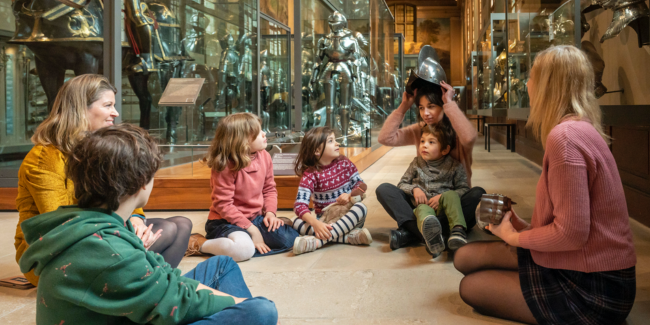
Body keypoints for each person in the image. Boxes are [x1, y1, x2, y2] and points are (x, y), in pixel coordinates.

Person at [19, 124, 278, 325]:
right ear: (143, 182)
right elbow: (176, 301)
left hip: (127, 313)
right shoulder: (110, 253)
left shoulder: (92, 223)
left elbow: (163, 278)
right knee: (261, 310)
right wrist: (240, 305)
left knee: (222, 265)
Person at [454, 46, 637, 325]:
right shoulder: (579, 128)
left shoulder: (564, 139)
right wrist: (525, 227)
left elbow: (572, 234)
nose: (526, 84)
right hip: (581, 264)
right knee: (464, 257)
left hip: (594, 286)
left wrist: (514, 238)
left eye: (532, 77)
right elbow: (573, 220)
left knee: (472, 287)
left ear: (548, 86)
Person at [14, 74, 191, 286]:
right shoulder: (43, 157)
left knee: (181, 225)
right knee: (169, 230)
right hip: (57, 252)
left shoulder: (99, 146)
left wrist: (136, 219)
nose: (115, 113)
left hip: (100, 231)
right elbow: (60, 223)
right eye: (108, 105)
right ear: (80, 108)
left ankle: (144, 287)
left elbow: (124, 188)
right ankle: (135, 288)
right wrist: (123, 236)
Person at [376, 81, 485, 251]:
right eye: (421, 107)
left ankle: (412, 233)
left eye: (431, 106)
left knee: (478, 193)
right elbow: (385, 138)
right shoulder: (420, 130)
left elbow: (470, 137)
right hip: (423, 206)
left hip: (453, 204)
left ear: (442, 106)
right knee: (384, 189)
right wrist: (404, 106)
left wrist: (449, 102)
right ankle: (441, 232)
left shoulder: (456, 132)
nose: (425, 113)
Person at [185, 113, 298, 261]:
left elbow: (269, 189)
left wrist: (270, 213)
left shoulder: (265, 156)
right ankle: (200, 243)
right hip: (226, 222)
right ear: (242, 141)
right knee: (243, 250)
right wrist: (253, 231)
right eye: (258, 133)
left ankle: (256, 238)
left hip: (255, 218)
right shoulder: (225, 165)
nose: (264, 134)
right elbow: (223, 205)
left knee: (290, 240)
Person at [291, 126, 372, 255]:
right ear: (317, 150)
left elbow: (361, 185)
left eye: (335, 140)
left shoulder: (345, 163)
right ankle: (348, 238)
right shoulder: (310, 174)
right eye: (331, 141)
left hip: (349, 218)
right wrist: (316, 223)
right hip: (325, 221)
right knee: (295, 221)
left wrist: (350, 194)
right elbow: (300, 206)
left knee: (361, 208)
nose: (337, 143)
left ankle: (317, 242)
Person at [397, 123, 470, 257]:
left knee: (454, 195)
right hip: (425, 206)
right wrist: (415, 189)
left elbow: (464, 188)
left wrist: (442, 197)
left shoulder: (454, 166)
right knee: (421, 209)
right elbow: (401, 184)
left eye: (431, 142)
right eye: (422, 141)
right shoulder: (416, 163)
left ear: (445, 150)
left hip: (446, 207)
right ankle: (433, 238)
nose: (424, 145)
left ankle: (457, 231)